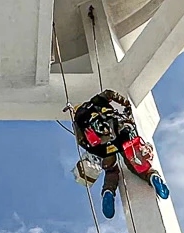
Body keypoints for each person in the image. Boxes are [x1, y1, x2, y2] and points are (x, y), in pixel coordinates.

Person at [70, 87, 168, 217]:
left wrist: (97, 152)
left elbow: (81, 141)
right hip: (121, 133)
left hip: (103, 147)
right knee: (135, 165)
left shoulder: (78, 120)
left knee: (111, 171)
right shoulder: (96, 101)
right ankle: (151, 176)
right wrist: (126, 104)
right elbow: (110, 93)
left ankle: (108, 191)